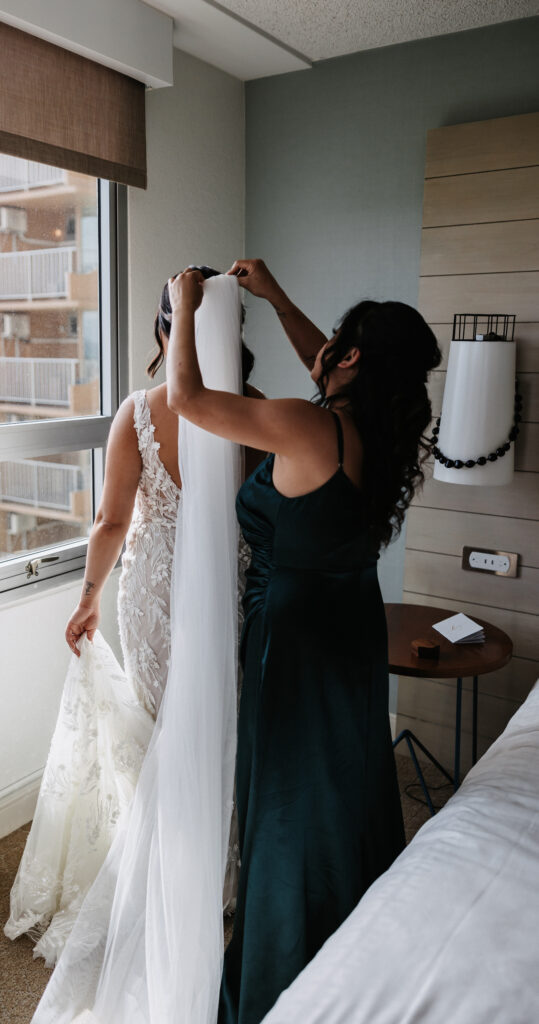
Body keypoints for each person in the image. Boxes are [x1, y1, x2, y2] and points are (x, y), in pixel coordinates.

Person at [165, 258, 442, 1024]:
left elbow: (185, 398)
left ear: (349, 357)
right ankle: (351, 935)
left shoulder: (304, 422)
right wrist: (277, 297)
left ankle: (284, 969)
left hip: (294, 639)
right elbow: (329, 363)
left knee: (286, 801)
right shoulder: (380, 433)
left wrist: (179, 307)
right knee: (341, 782)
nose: (319, 351)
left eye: (336, 344)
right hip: (350, 622)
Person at [4, 267, 263, 967]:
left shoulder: (140, 412)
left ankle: (167, 867)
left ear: (162, 330)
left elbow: (111, 520)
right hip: (234, 594)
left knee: (159, 731)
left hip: (152, 596)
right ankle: (218, 874)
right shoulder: (257, 409)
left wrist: (87, 595)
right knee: (221, 725)